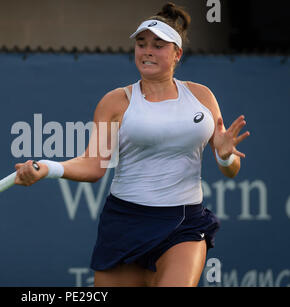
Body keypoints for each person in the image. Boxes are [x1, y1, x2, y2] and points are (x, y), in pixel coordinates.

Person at [14, 2, 250, 287]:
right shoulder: (115, 102)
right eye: (141, 43)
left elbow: (231, 169)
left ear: (178, 54)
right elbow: (93, 166)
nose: (147, 50)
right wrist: (47, 167)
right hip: (125, 221)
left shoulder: (202, 97)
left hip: (184, 223)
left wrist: (225, 157)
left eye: (158, 45)